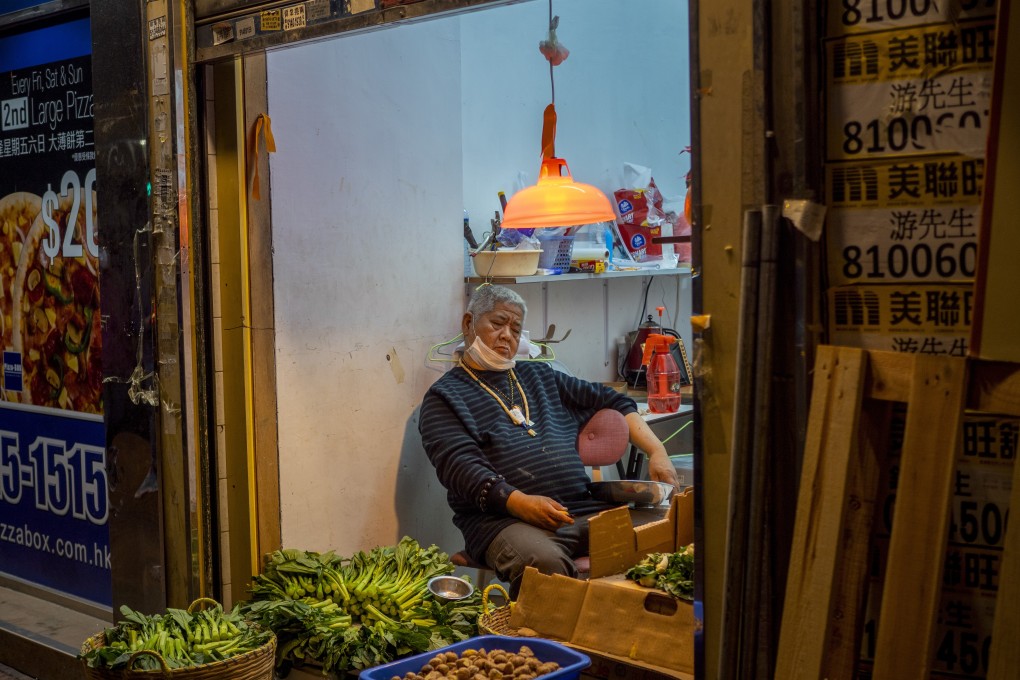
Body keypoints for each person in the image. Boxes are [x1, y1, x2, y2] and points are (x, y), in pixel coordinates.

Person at [419, 284, 679, 597]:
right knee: (544, 563)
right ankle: (553, 643)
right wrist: (520, 503)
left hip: (582, 511)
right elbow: (460, 469)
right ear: (468, 323)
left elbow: (612, 399)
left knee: (670, 527)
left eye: (515, 329)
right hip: (505, 523)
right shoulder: (444, 398)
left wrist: (657, 451)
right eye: (497, 323)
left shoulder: (540, 376)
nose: (507, 336)